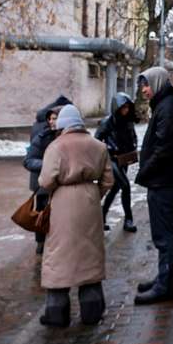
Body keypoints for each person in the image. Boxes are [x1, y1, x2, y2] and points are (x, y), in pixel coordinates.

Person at [38, 105, 114, 327]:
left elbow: (45, 181)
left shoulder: (55, 146)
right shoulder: (98, 146)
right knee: (89, 254)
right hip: (90, 203)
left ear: (62, 124)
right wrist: (92, 195)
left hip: (62, 202)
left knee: (58, 255)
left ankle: (56, 313)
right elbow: (109, 180)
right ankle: (92, 311)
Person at [133, 66, 173, 305]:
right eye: (142, 85)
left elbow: (165, 148)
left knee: (165, 234)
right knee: (164, 233)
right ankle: (164, 279)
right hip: (163, 179)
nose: (144, 90)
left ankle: (166, 286)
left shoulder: (167, 107)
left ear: (156, 82)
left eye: (146, 84)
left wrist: (145, 170)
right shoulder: (165, 104)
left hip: (163, 180)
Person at [24, 95, 70, 255]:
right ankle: (41, 242)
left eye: (55, 118)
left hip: (61, 183)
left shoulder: (68, 136)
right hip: (43, 183)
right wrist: (49, 165)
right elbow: (29, 160)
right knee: (42, 212)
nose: (52, 121)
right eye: (50, 118)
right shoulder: (42, 135)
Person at [95, 92, 138, 232]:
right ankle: (128, 219)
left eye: (127, 107)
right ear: (117, 107)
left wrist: (133, 148)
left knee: (115, 189)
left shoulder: (128, 122)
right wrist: (108, 149)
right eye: (123, 107)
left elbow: (133, 137)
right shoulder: (107, 122)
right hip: (111, 159)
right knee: (125, 186)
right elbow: (96, 142)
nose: (125, 110)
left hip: (124, 159)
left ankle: (101, 216)